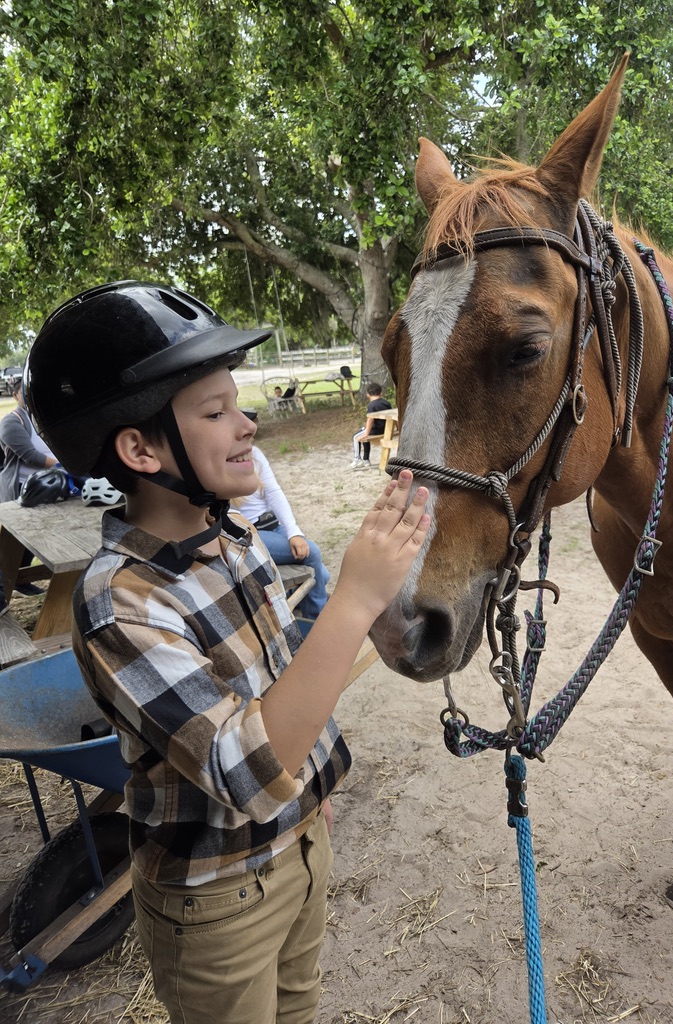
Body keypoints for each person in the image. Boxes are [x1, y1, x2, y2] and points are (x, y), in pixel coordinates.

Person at [25, 280, 429, 1024]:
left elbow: (277, 678)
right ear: (139, 448)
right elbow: (245, 769)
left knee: (299, 1007)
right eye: (215, 413)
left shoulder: (235, 540)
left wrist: (313, 793)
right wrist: (353, 602)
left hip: (300, 851)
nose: (246, 426)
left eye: (235, 403)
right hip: (215, 902)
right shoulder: (122, 602)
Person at [237, 415, 330, 637]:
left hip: (271, 525)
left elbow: (274, 492)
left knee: (322, 574)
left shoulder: (254, 454)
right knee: (314, 555)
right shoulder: (215, 462)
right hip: (249, 531)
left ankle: (297, 610)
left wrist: (293, 531)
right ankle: (315, 623)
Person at [0, 378, 60, 595]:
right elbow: (30, 456)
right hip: (23, 489)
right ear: (16, 395)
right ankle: (17, 581)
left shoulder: (44, 418)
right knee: (20, 540)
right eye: (23, 392)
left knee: (50, 536)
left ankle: (24, 578)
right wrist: (66, 466)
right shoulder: (11, 422)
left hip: (51, 487)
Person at [350, 382, 391, 470]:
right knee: (364, 436)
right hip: (385, 429)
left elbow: (370, 420)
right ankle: (365, 460)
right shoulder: (386, 403)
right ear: (381, 393)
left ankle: (357, 459)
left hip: (375, 430)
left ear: (368, 394)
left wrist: (366, 433)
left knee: (355, 437)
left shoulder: (371, 405)